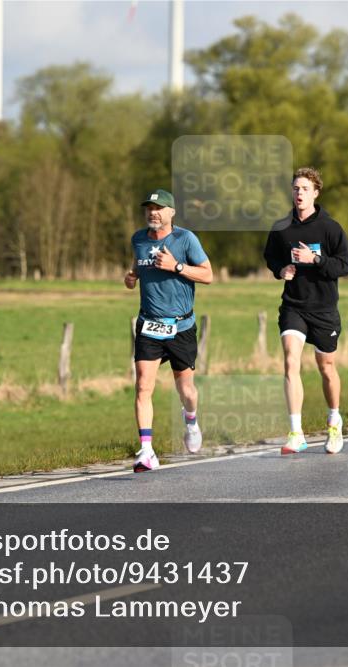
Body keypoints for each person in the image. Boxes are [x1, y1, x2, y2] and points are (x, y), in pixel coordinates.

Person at [263, 167, 348, 455]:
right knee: (291, 360)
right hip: (294, 305)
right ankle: (296, 432)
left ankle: (334, 419)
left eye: (304, 188)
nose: (299, 193)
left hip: (324, 309)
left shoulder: (330, 228)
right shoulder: (281, 227)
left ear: (316, 193)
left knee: (326, 367)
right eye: (295, 188)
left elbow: (345, 265)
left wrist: (315, 258)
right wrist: (281, 269)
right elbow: (271, 256)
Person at [125, 188, 213, 471]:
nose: (153, 212)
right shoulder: (138, 239)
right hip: (149, 323)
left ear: (171, 212)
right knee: (142, 386)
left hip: (181, 326)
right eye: (149, 208)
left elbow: (208, 275)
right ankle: (147, 451)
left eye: (159, 208)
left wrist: (176, 266)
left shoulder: (185, 239)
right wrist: (132, 276)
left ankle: (191, 420)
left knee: (186, 389)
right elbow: (139, 265)